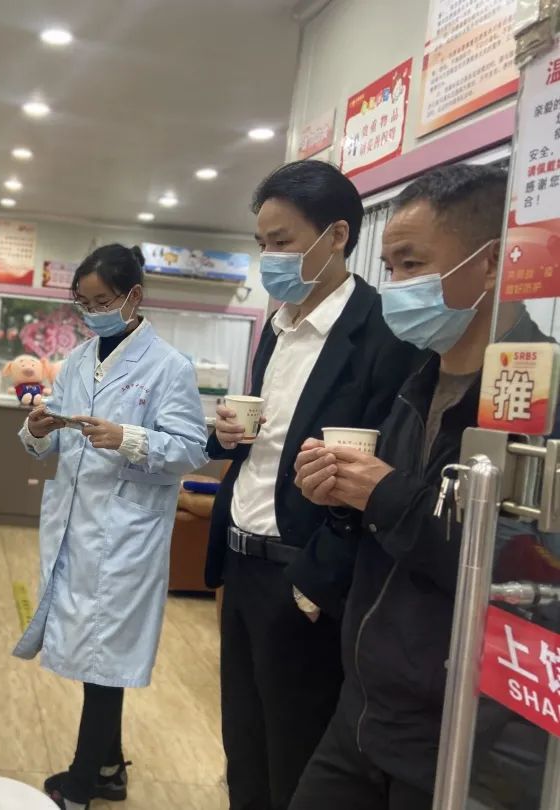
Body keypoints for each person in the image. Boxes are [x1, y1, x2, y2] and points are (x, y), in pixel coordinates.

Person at [289, 164, 545, 809]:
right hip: (363, 711)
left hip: (467, 739)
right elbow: (391, 531)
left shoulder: (537, 404)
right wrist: (342, 498)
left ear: (492, 264)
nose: (395, 287)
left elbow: (518, 572)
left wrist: (382, 495)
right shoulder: (416, 387)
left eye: (411, 265)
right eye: (390, 268)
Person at [206, 160, 419, 810]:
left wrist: (313, 584)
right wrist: (227, 435)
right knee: (244, 749)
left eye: (282, 241)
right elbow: (266, 447)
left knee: (295, 762)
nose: (269, 258)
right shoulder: (279, 328)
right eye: (262, 243)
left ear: (337, 237)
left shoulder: (385, 333)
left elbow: (384, 471)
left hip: (306, 580)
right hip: (243, 565)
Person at [15, 244, 209, 810]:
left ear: (134, 297)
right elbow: (50, 440)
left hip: (127, 533)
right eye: (83, 302)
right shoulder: (78, 360)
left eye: (102, 301)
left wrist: (127, 438)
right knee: (94, 650)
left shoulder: (169, 366)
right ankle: (109, 768)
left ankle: (81, 784)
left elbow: (191, 449)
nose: (91, 312)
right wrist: (37, 429)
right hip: (75, 525)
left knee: (104, 657)